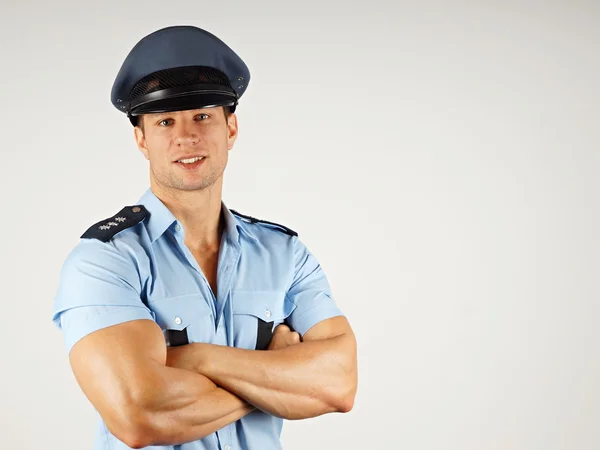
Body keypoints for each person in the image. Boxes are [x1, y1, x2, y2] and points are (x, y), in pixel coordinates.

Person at [51, 24, 358, 450]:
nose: (186, 136)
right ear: (141, 139)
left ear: (231, 128)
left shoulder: (284, 253)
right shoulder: (104, 261)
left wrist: (196, 359)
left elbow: (338, 384)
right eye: (164, 121)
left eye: (202, 116)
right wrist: (275, 373)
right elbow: (138, 416)